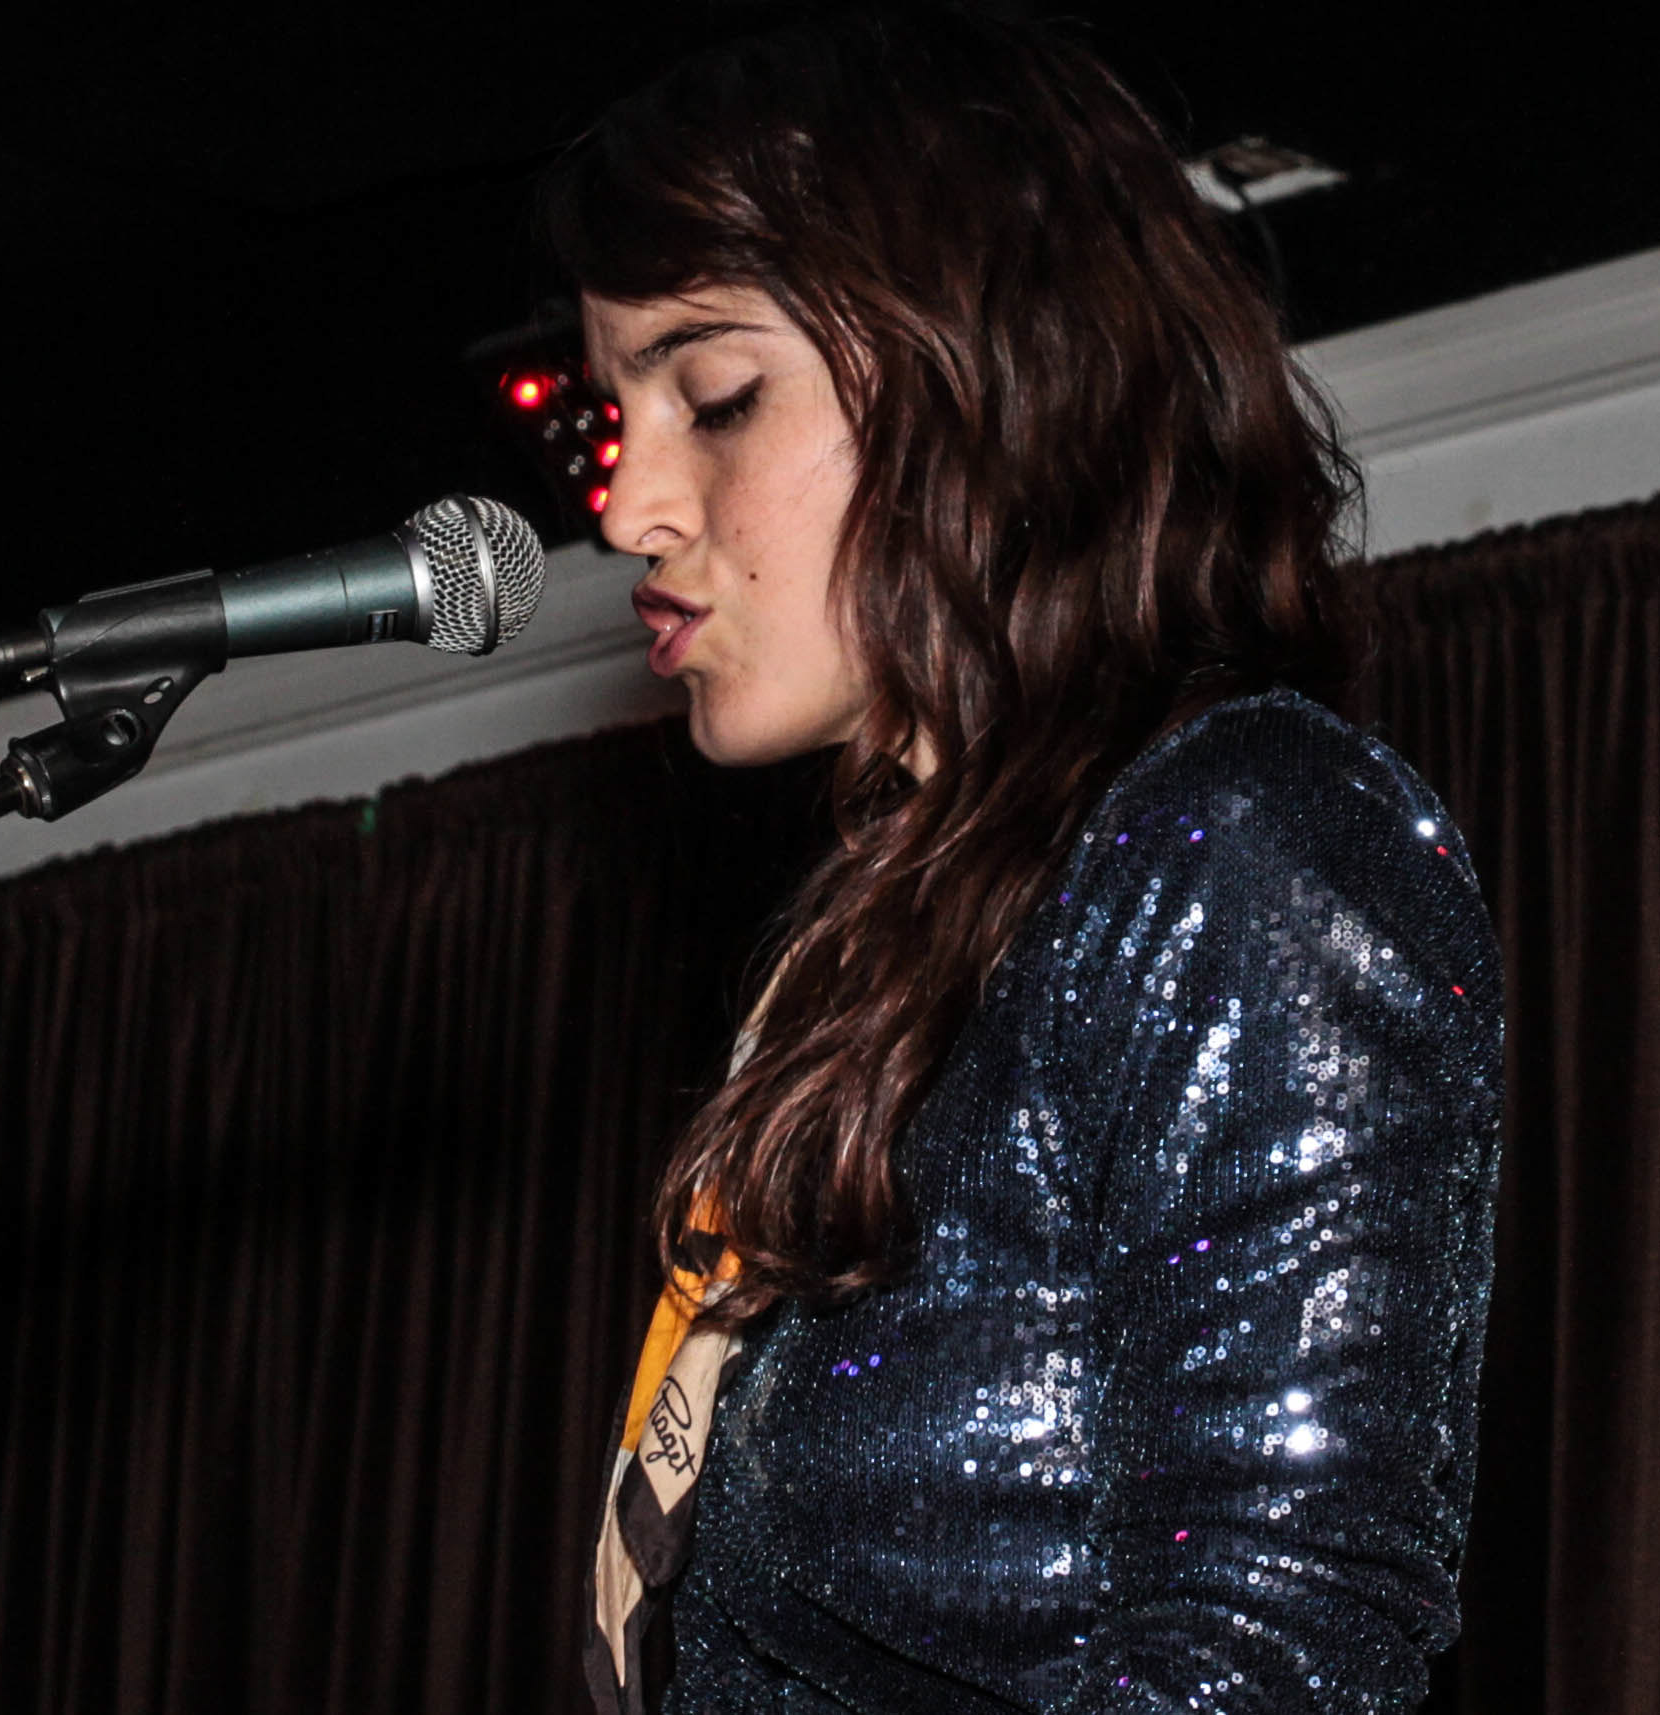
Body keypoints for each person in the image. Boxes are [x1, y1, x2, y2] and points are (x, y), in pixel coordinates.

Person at [543, 6, 1503, 1711]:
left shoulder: (1236, 841)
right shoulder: (874, 948)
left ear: (990, 376)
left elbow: (1277, 1641)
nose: (629, 509)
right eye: (619, 416)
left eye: (716, 397)